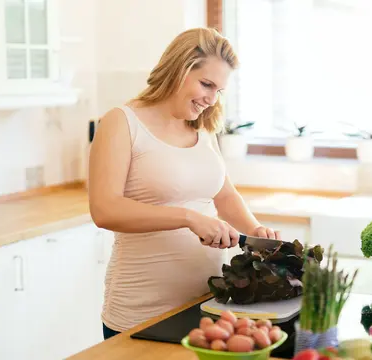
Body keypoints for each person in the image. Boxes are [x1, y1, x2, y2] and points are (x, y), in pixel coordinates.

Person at [88, 27, 281, 340]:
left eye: (219, 90)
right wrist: (188, 217)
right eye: (206, 84)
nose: (211, 99)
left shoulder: (203, 128)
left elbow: (226, 195)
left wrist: (256, 231)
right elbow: (105, 210)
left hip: (209, 306)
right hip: (142, 312)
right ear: (179, 69)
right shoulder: (122, 122)